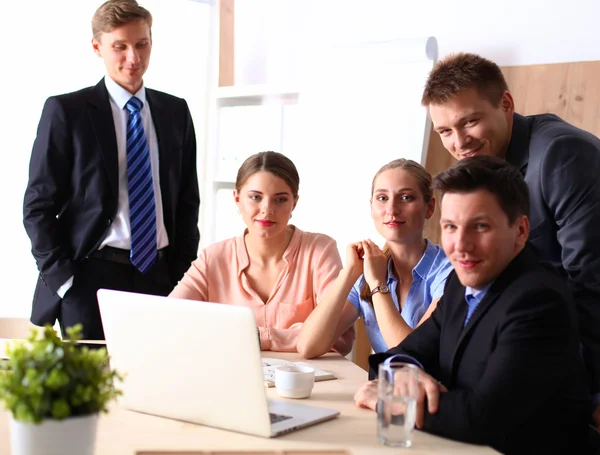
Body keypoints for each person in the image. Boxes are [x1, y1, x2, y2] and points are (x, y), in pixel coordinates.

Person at [353, 156, 589, 454]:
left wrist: (389, 399)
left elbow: (484, 416)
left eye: (480, 227)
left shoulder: (539, 300)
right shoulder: (460, 283)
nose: (461, 245)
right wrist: (403, 373)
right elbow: (401, 355)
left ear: (520, 231)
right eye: (451, 227)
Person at [421, 52, 600, 428]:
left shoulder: (563, 156)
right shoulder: (483, 167)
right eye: (445, 132)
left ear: (506, 104)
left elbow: (590, 285)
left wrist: (579, 395)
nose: (459, 143)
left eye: (469, 122)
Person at [23, 0, 200, 340]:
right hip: (90, 280)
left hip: (160, 278)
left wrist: (180, 271)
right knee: (92, 392)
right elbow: (37, 207)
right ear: (97, 47)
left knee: (157, 387)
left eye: (141, 44)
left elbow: (186, 199)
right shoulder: (67, 112)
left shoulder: (175, 112)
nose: (133, 58)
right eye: (119, 46)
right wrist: (64, 280)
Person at [169, 151, 354, 353]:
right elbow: (169, 319)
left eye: (280, 199)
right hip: (229, 374)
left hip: (308, 381)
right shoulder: (212, 258)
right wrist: (294, 335)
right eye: (256, 197)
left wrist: (254, 337)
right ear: (237, 198)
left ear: (294, 202)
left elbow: (338, 338)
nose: (267, 209)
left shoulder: (320, 251)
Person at [297, 159, 452, 358]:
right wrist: (348, 274)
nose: (392, 209)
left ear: (429, 207)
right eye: (382, 198)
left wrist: (378, 285)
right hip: (382, 387)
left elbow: (410, 357)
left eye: (406, 197)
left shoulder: (449, 273)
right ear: (371, 207)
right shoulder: (369, 269)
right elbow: (308, 346)